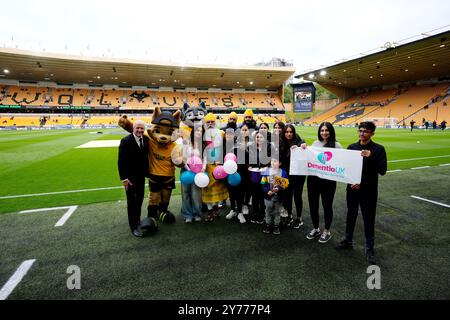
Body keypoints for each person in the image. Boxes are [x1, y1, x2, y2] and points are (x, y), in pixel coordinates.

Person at [336, 121, 387, 265]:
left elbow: (382, 171)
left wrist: (371, 156)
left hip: (369, 191)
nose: (362, 133)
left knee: (368, 219)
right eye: (360, 130)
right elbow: (346, 169)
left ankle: (370, 248)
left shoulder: (378, 149)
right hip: (352, 189)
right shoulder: (352, 147)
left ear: (372, 133)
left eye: (365, 131)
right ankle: (348, 240)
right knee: (350, 215)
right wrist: (351, 182)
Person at [306, 122, 342, 243]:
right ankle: (316, 228)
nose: (324, 132)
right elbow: (308, 159)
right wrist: (300, 149)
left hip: (328, 182)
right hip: (313, 180)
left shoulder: (337, 146)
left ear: (331, 131)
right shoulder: (315, 144)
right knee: (313, 205)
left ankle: (327, 230)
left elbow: (341, 163)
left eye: (326, 130)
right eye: (322, 130)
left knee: (327, 206)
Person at [118, 120, 149, 237]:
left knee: (140, 200)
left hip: (141, 177)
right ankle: (133, 227)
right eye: (138, 128)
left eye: (142, 128)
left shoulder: (145, 139)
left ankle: (137, 220)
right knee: (132, 202)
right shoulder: (125, 141)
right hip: (130, 178)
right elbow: (121, 161)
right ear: (133, 129)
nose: (140, 130)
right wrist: (124, 179)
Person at [280, 124, 306, 229]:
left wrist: (301, 147)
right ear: (284, 133)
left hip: (298, 174)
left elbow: (304, 146)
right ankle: (289, 215)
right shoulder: (281, 143)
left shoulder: (299, 141)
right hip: (286, 174)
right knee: (287, 195)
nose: (289, 134)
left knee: (297, 196)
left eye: (291, 132)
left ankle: (299, 218)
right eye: (287, 132)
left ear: (294, 133)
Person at [180, 126, 204, 223]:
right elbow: (183, 158)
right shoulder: (186, 143)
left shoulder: (203, 145)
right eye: (197, 130)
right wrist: (188, 168)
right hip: (186, 171)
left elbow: (205, 158)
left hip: (197, 173)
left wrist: (203, 168)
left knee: (196, 194)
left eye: (201, 131)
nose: (199, 132)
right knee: (185, 193)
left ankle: (197, 213)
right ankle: (187, 215)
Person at [261, 157, 288, 235]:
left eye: (275, 161)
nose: (273, 162)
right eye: (272, 160)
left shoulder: (283, 173)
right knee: (268, 211)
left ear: (280, 163)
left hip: (278, 197)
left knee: (277, 212)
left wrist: (278, 189)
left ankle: (276, 226)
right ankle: (268, 225)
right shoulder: (266, 172)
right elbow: (263, 184)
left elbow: (284, 185)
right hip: (267, 197)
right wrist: (267, 191)